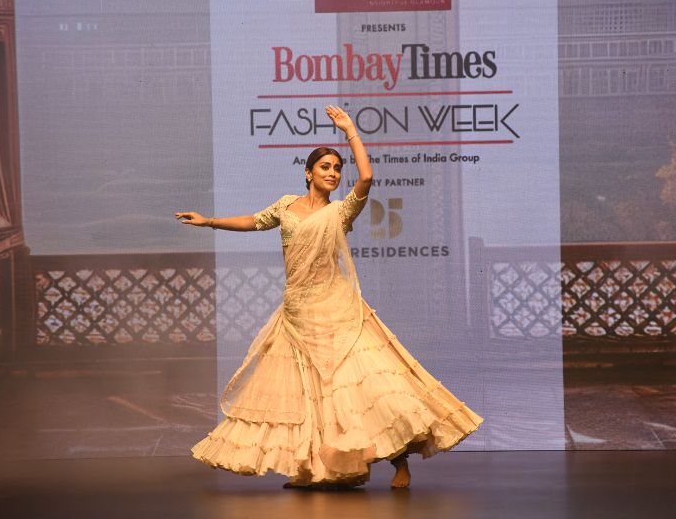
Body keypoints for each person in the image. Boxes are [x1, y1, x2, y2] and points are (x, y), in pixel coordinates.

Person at [175, 105, 482, 489]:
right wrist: (209, 221)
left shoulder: (340, 212)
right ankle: (315, 468)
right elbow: (253, 221)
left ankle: (400, 461)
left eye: (337, 168)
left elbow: (366, 177)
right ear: (308, 173)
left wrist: (349, 128)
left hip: (337, 309)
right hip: (298, 311)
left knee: (364, 386)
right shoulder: (286, 205)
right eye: (325, 167)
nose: (333, 173)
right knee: (308, 394)